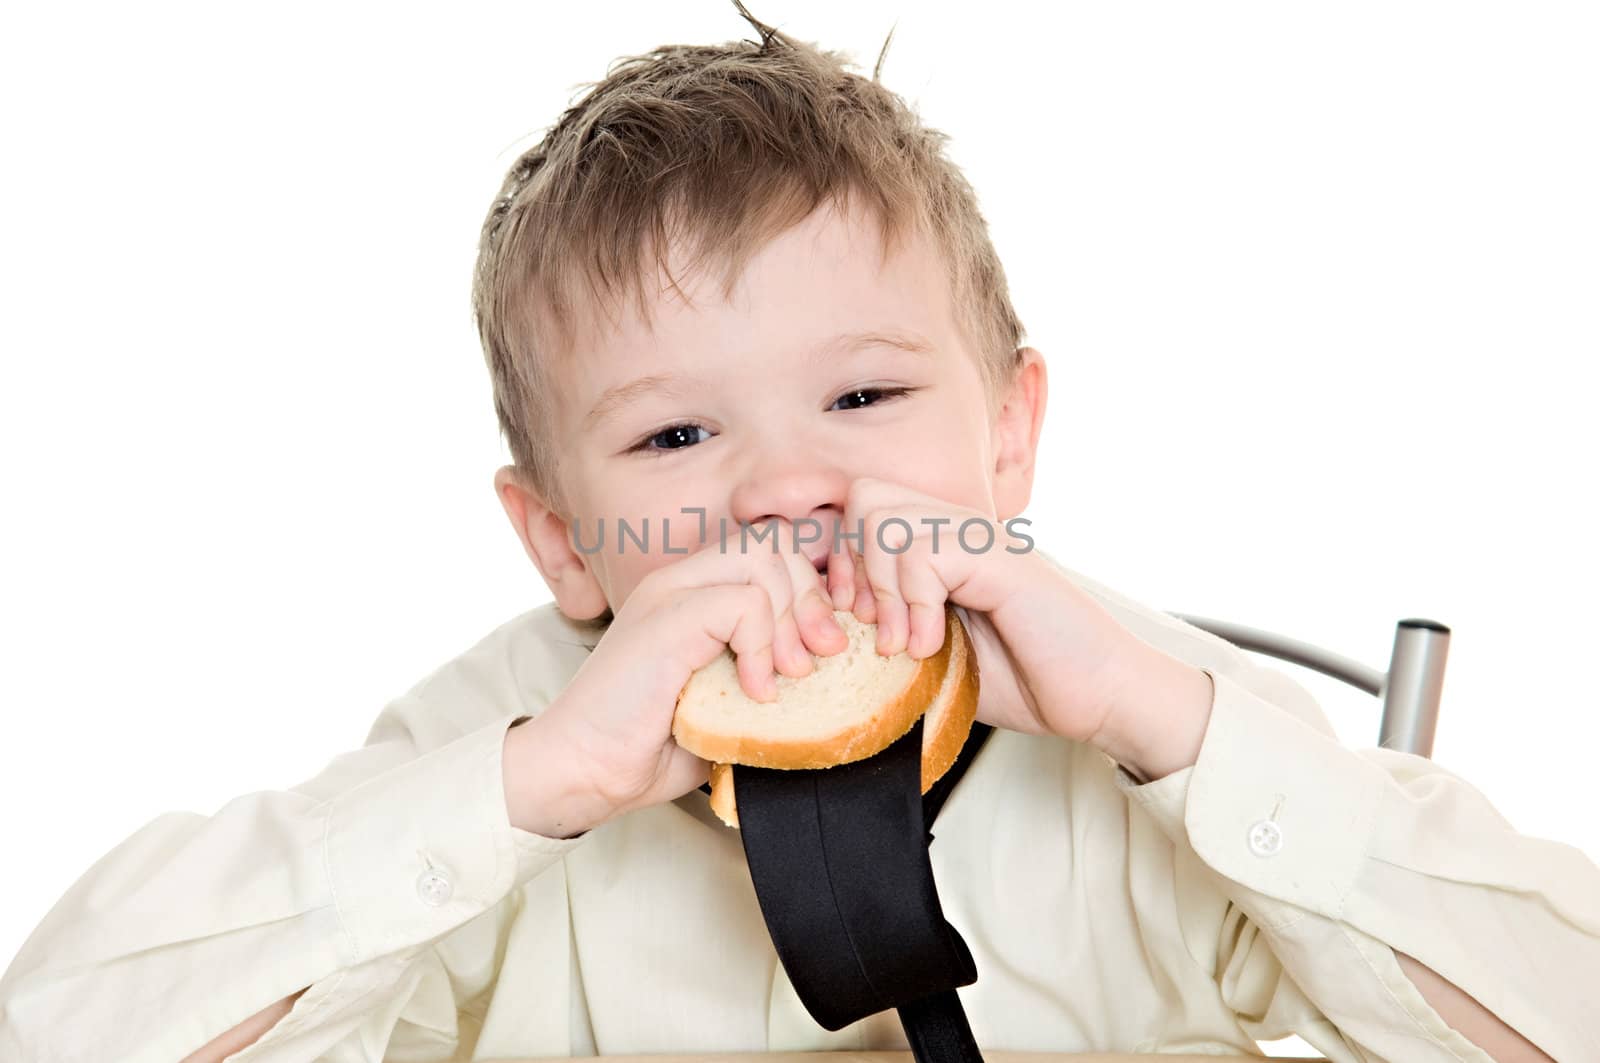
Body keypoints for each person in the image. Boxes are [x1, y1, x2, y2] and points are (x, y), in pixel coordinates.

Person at [3, 6, 1593, 1061]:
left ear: (1007, 437)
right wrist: (530, 790)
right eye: (678, 434)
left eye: (863, 395)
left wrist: (1172, 733)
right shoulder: (509, 747)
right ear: (564, 546)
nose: (781, 491)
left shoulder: (1157, 714)